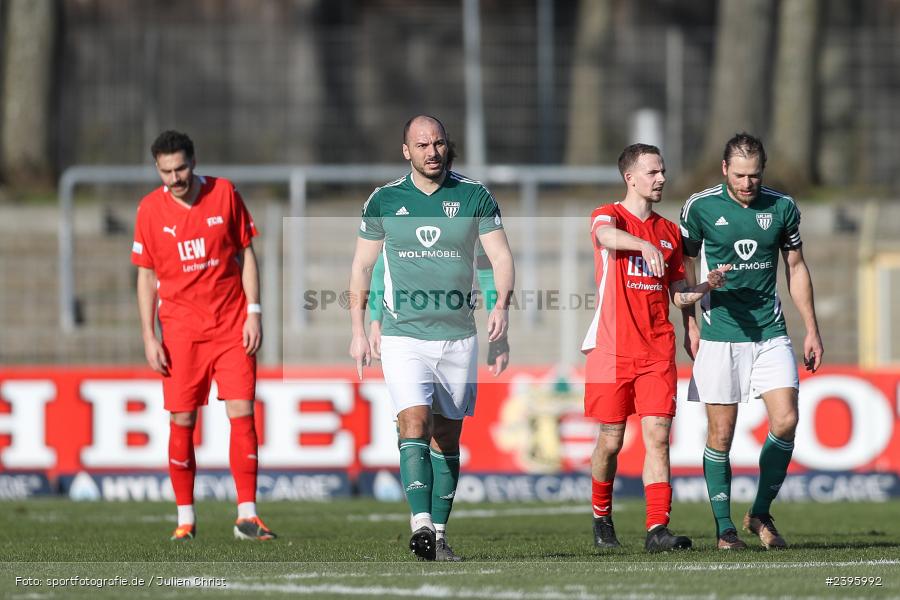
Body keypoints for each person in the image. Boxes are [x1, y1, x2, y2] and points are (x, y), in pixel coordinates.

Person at [349, 115, 514, 561]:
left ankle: (437, 535)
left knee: (447, 438)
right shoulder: (385, 200)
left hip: (458, 337)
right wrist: (359, 329)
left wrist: (500, 309)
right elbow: (364, 266)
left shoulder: (474, 195)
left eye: (438, 143)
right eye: (421, 145)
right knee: (414, 423)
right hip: (405, 336)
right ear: (406, 150)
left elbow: (498, 256)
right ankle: (419, 522)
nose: (432, 151)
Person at [581, 143, 730, 553]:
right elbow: (604, 236)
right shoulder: (609, 216)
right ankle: (601, 516)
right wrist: (639, 244)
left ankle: (656, 529)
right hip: (610, 350)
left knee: (658, 437)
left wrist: (702, 289)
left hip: (656, 350)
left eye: (662, 171)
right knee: (610, 441)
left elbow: (678, 294)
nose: (661, 178)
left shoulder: (668, 232)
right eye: (652, 172)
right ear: (630, 178)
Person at [680, 132, 823, 550]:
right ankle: (724, 528)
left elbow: (796, 267)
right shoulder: (699, 207)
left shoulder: (782, 207)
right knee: (721, 435)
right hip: (719, 334)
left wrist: (811, 327)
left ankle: (759, 512)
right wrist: (689, 322)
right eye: (740, 175)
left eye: (755, 176)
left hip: (769, 332)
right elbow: (685, 270)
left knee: (787, 420)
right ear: (725, 169)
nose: (747, 184)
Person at [131, 130, 276, 542]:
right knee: (182, 419)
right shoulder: (148, 210)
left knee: (243, 412)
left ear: (193, 162)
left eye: (180, 168)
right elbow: (145, 276)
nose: (174, 177)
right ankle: (185, 520)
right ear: (157, 169)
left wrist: (254, 312)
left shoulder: (225, 193)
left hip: (231, 324)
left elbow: (247, 252)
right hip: (180, 331)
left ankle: (247, 516)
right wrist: (149, 335)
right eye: (166, 171)